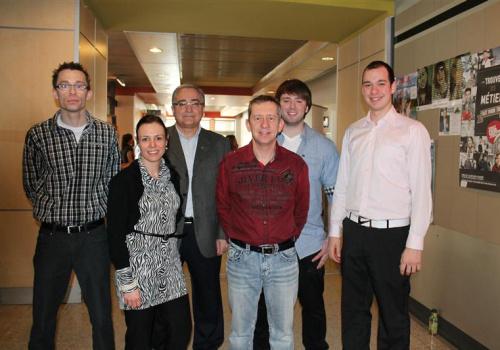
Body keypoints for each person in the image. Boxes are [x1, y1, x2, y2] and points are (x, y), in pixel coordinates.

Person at [328, 61, 433, 349]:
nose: (373, 91)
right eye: (367, 84)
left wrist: (416, 243)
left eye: (380, 83)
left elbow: (422, 191)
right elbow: (343, 185)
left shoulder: (412, 131)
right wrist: (335, 231)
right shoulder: (353, 132)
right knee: (352, 310)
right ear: (362, 89)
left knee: (392, 313)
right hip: (355, 231)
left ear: (393, 87)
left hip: (392, 236)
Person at [22, 61, 118, 349]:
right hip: (52, 238)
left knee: (102, 315)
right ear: (55, 92)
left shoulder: (106, 133)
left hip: (94, 237)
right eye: (65, 85)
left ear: (88, 92)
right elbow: (31, 182)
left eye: (79, 85)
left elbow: (113, 180)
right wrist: (51, 207)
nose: (72, 91)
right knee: (43, 315)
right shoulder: (38, 135)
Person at [216, 95, 310, 349]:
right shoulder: (231, 163)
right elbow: (223, 207)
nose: (264, 124)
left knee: (282, 334)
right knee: (240, 334)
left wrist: (286, 237)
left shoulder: (296, 165)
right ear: (248, 124)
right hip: (241, 259)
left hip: (284, 260)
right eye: (258, 118)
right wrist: (237, 235)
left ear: (280, 124)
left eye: (271, 117)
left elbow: (301, 210)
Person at [253, 79, 340, 350]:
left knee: (313, 307)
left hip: (309, 243)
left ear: (307, 107)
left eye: (298, 101)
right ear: (278, 105)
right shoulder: (263, 142)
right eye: (286, 100)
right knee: (265, 309)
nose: (292, 107)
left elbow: (335, 195)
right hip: (268, 244)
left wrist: (332, 237)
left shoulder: (324, 147)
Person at [154, 84, 230, 350]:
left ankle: (207, 344)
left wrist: (223, 233)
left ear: (203, 108)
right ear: (172, 108)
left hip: (206, 230)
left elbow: (226, 193)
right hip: (166, 233)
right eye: (182, 103)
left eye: (195, 103)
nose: (188, 108)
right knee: (166, 296)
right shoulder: (159, 139)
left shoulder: (219, 144)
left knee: (208, 296)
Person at [107, 115, 192, 350]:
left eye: (157, 138)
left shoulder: (171, 176)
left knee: (180, 331)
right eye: (145, 139)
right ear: (137, 142)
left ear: (167, 141)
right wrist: (127, 284)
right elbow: (114, 235)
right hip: (138, 268)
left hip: (170, 266)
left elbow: (174, 217)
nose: (152, 145)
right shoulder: (124, 181)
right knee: (140, 337)